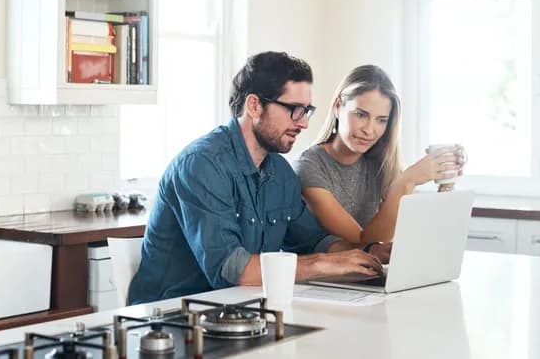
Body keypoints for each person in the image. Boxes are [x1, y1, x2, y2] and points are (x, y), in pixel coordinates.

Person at [127, 52, 384, 305]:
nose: (304, 123)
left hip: (237, 313)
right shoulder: (202, 165)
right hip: (168, 320)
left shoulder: (280, 173)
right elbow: (232, 270)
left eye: (307, 111)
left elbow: (313, 241)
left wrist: (371, 253)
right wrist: (320, 264)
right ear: (254, 106)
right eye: (294, 110)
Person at [293, 65, 467, 246]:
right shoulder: (308, 166)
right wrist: (406, 180)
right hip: (326, 273)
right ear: (338, 107)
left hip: (371, 272)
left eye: (381, 120)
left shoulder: (380, 163)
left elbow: (414, 232)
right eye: (360, 115)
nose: (369, 130)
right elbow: (364, 243)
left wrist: (447, 179)